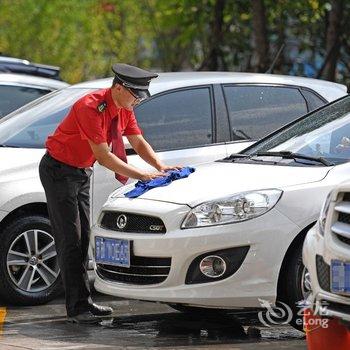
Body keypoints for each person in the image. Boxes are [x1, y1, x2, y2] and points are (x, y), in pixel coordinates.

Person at [39, 63, 180, 324]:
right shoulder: (90, 107)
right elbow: (103, 156)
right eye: (135, 94)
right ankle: (77, 308)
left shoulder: (124, 109)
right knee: (70, 239)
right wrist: (142, 175)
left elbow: (138, 141)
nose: (138, 100)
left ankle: (83, 302)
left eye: (141, 95)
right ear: (118, 88)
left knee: (84, 239)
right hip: (59, 171)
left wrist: (159, 167)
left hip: (80, 172)